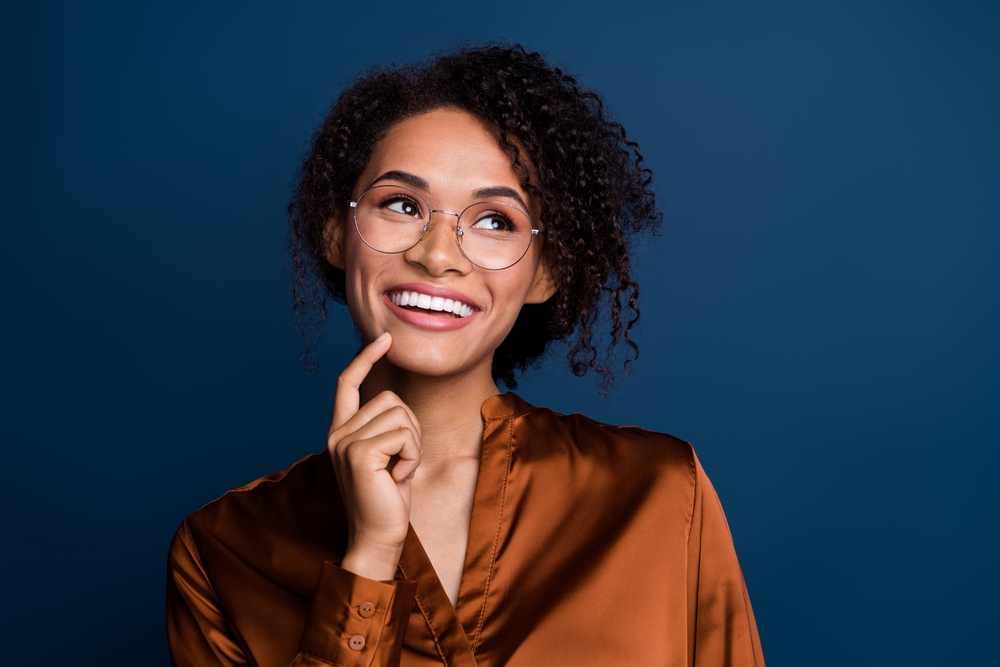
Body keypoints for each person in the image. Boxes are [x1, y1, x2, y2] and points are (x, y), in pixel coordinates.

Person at [166, 44, 765, 666]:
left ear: (546, 273)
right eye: (402, 205)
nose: (437, 254)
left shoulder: (660, 494)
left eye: (495, 221)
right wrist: (369, 558)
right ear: (336, 233)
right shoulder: (221, 551)